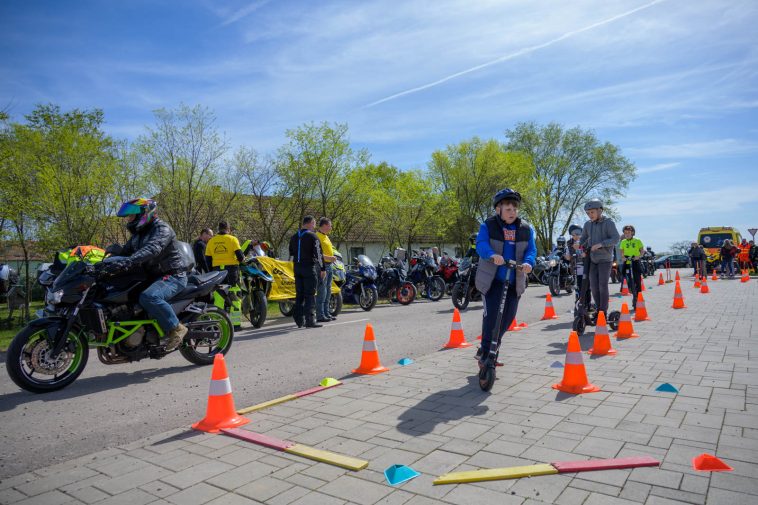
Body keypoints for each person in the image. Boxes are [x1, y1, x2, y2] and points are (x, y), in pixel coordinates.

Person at [100, 198, 189, 351]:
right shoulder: (138, 235)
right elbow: (126, 252)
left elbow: (152, 249)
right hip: (152, 276)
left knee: (149, 297)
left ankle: (176, 328)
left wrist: (129, 261)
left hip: (173, 275)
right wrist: (107, 258)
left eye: (131, 216)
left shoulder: (162, 229)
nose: (129, 220)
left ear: (144, 213)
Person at [474, 188, 536, 368]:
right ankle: (487, 353)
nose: (512, 212)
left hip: (514, 280)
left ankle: (490, 349)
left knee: (508, 317)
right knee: (492, 317)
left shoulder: (525, 229)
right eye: (508, 209)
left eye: (515, 209)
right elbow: (481, 244)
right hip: (492, 281)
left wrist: (528, 262)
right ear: (498, 210)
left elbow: (531, 250)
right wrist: (492, 254)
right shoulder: (488, 226)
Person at [579, 199, 620, 318]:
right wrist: (581, 247)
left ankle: (603, 311)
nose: (590, 215)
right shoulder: (587, 224)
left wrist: (601, 244)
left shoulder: (608, 223)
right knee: (593, 286)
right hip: (592, 259)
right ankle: (598, 310)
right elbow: (583, 239)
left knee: (602, 285)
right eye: (588, 213)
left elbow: (616, 238)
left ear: (600, 211)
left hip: (605, 259)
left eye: (592, 212)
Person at [289, 216, 325, 328]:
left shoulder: (294, 237)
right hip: (309, 267)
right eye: (314, 224)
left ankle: (299, 318)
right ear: (310, 223)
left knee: (300, 294)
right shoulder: (312, 236)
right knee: (310, 294)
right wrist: (323, 268)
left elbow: (291, 252)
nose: (314, 227)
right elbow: (319, 253)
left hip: (297, 267)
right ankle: (310, 320)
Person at [205, 221, 243, 286]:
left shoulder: (211, 241)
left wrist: (212, 271)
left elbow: (208, 259)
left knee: (219, 292)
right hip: (231, 270)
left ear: (218, 229)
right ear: (228, 229)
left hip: (217, 270)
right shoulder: (233, 239)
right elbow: (240, 256)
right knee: (233, 290)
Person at [315, 217, 337, 322]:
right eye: (330, 225)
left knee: (328, 291)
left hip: (329, 266)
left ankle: (326, 313)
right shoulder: (317, 236)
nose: (331, 227)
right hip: (321, 266)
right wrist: (329, 258)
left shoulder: (326, 237)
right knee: (322, 291)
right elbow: (317, 254)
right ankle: (320, 315)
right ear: (324, 225)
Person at [619, 225, 644, 309]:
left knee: (637, 280)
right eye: (625, 233)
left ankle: (638, 298)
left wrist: (639, 256)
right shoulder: (623, 242)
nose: (627, 234)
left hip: (635, 262)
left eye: (628, 232)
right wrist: (623, 257)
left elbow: (642, 251)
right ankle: (632, 292)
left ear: (632, 233)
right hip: (627, 262)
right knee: (627, 280)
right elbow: (622, 252)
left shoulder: (637, 241)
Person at [567, 224, 590, 308]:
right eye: (573, 235)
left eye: (577, 234)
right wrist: (567, 256)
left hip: (585, 267)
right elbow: (568, 253)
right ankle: (579, 303)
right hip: (576, 267)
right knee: (578, 286)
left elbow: (588, 251)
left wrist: (584, 253)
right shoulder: (569, 243)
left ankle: (587, 304)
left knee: (586, 287)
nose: (575, 236)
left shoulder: (586, 241)